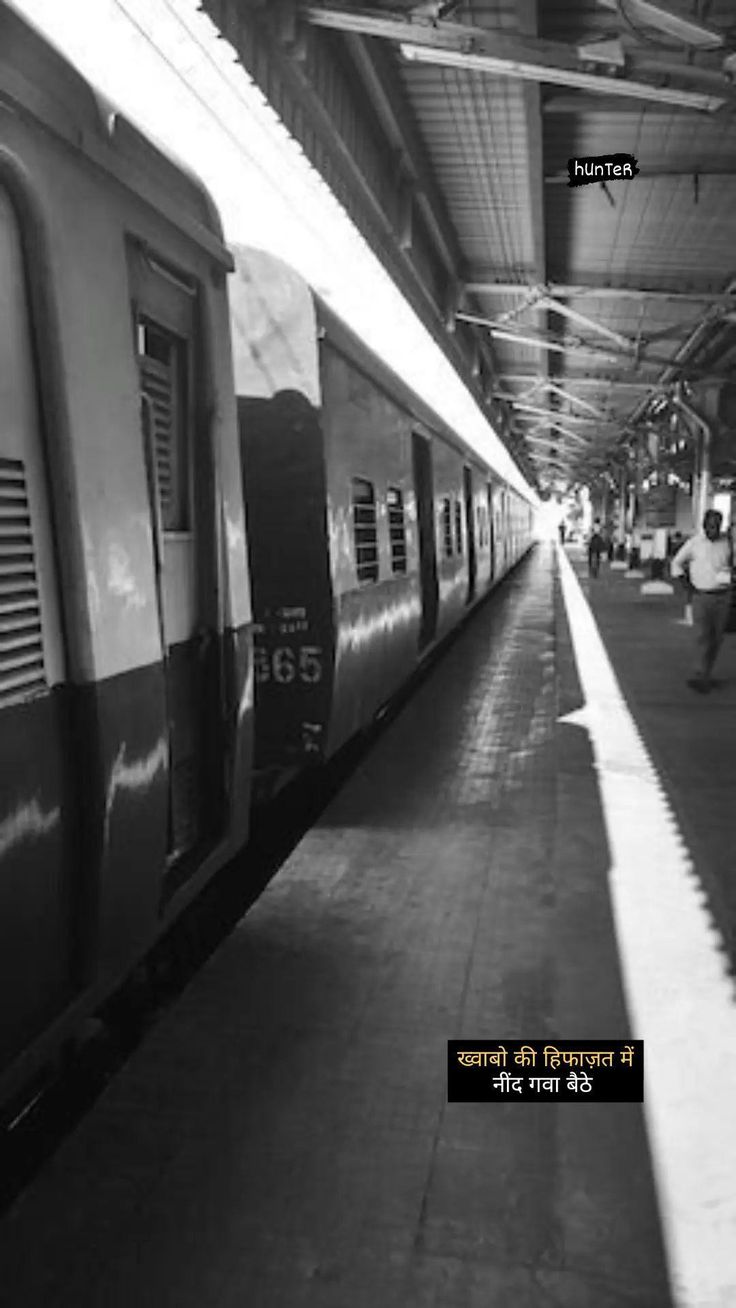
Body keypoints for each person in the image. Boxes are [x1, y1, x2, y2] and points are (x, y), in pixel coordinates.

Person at [671, 509, 733, 693]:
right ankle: (701, 675)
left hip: (724, 596)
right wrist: (687, 585)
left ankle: (706, 672)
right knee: (704, 636)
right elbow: (676, 563)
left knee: (716, 638)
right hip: (701, 596)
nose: (713, 529)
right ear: (704, 525)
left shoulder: (728, 542)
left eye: (716, 526)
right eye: (710, 526)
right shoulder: (694, 544)